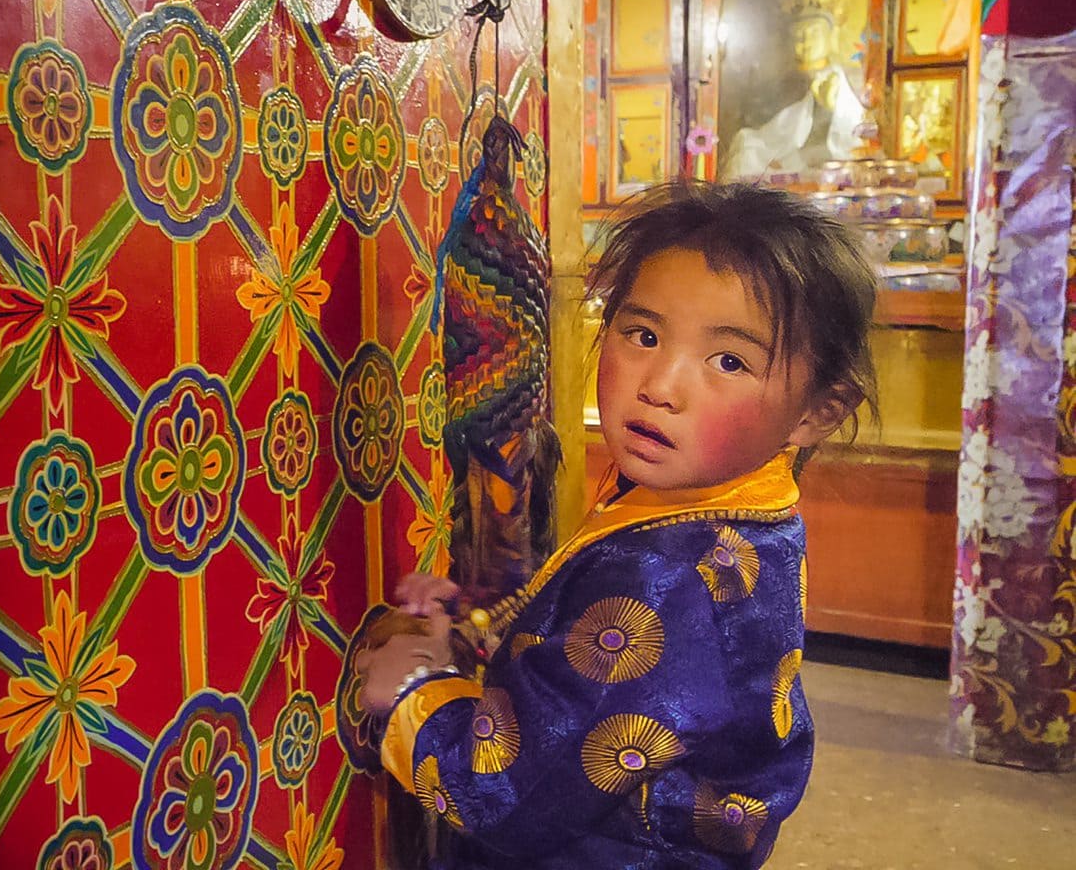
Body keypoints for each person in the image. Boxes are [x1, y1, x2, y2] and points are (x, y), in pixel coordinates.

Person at [355, 182, 878, 868]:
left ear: (817, 412)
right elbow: (590, 655)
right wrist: (479, 629)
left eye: (729, 361)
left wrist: (408, 693)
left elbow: (501, 794)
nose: (660, 384)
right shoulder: (739, 515)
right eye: (643, 334)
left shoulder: (666, 579)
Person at [721, 0, 871, 179]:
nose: (805, 42)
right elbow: (781, 135)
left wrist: (828, 107)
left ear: (832, 35)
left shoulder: (852, 80)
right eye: (799, 35)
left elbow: (853, 137)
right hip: (792, 155)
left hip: (833, 167)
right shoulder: (784, 84)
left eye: (813, 33)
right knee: (746, 146)